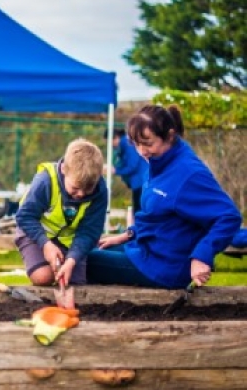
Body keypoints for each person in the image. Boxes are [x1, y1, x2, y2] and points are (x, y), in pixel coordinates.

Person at [87, 105, 242, 289]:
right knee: (87, 249)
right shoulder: (158, 163)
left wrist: (202, 255)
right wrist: (128, 235)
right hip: (147, 250)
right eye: (137, 144)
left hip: (164, 267)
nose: (142, 151)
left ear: (169, 136)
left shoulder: (189, 174)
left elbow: (229, 217)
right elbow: (160, 215)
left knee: (84, 261)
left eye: (148, 143)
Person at [14, 139, 108, 287]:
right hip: (34, 233)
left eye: (87, 189)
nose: (81, 194)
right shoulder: (45, 181)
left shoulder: (101, 191)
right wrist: (46, 245)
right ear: (64, 170)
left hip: (71, 240)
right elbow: (25, 216)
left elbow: (90, 232)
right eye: (75, 188)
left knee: (74, 283)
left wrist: (72, 259)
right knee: (43, 277)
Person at [112, 129, 148, 213]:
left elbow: (132, 166)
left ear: (116, 138)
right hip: (138, 182)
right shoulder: (124, 147)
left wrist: (116, 170)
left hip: (140, 181)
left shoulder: (128, 145)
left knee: (139, 210)